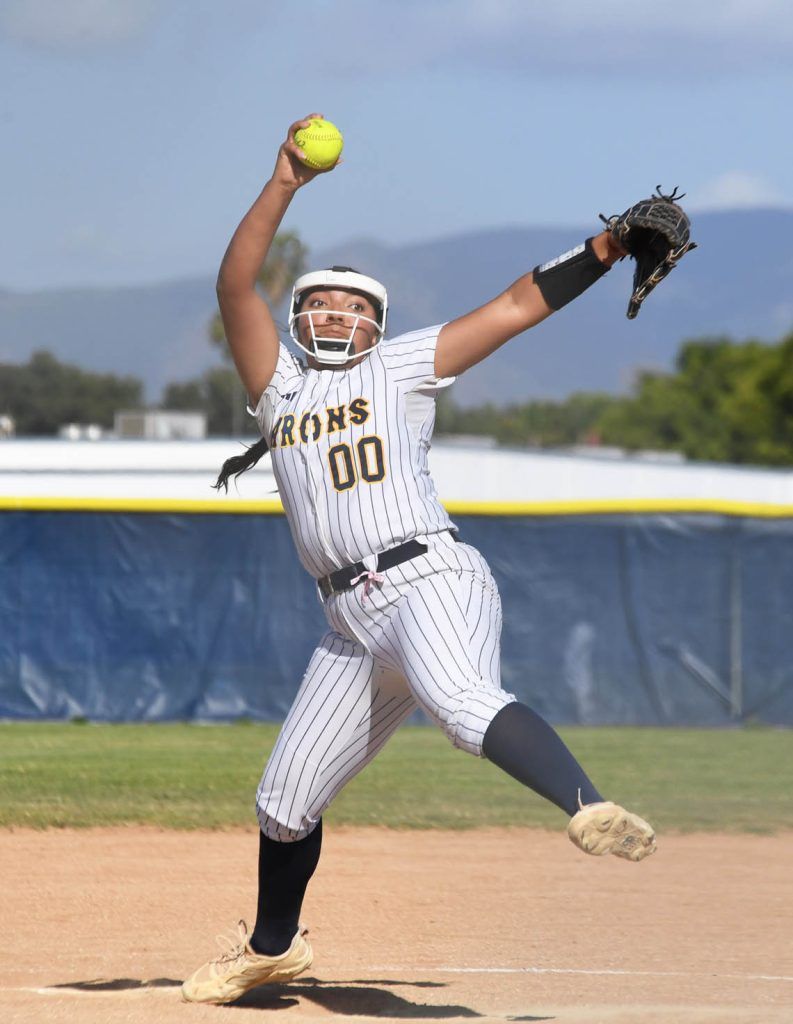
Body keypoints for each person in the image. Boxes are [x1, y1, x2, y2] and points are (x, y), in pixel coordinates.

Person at [181, 114, 656, 1006]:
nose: (338, 312)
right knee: (283, 801)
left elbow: (512, 308)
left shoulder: (400, 367)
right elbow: (233, 282)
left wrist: (605, 246)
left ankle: (587, 806)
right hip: (348, 622)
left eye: (357, 306)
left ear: (377, 326)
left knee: (463, 703)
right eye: (323, 301)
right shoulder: (277, 390)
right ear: (298, 318)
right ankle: (271, 949)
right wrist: (283, 180)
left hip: (425, 578)